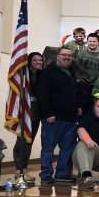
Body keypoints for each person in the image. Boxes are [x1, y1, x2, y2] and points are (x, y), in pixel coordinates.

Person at [37, 47, 81, 184]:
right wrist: (48, 113)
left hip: (70, 118)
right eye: (64, 55)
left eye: (70, 55)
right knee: (48, 148)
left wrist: (78, 107)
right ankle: (46, 176)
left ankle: (63, 174)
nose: (67, 57)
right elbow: (42, 94)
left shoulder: (71, 72)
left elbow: (73, 92)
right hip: (53, 118)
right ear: (57, 57)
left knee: (68, 149)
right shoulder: (48, 72)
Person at [13, 52, 43, 184]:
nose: (38, 62)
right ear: (30, 61)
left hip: (36, 113)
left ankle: (24, 169)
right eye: (35, 60)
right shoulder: (24, 75)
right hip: (25, 111)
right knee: (21, 141)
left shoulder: (42, 75)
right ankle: (18, 169)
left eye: (40, 60)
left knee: (29, 141)